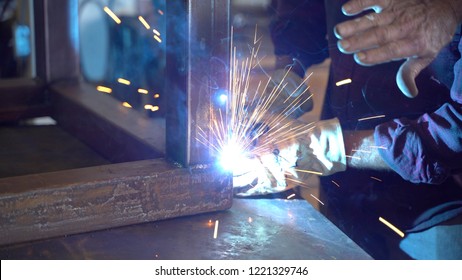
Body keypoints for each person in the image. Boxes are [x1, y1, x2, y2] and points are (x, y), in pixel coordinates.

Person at [235, 0, 462, 259]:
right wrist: (290, 73)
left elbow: (455, 132)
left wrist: (325, 148)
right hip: (346, 195)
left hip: (440, 209)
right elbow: (306, 11)